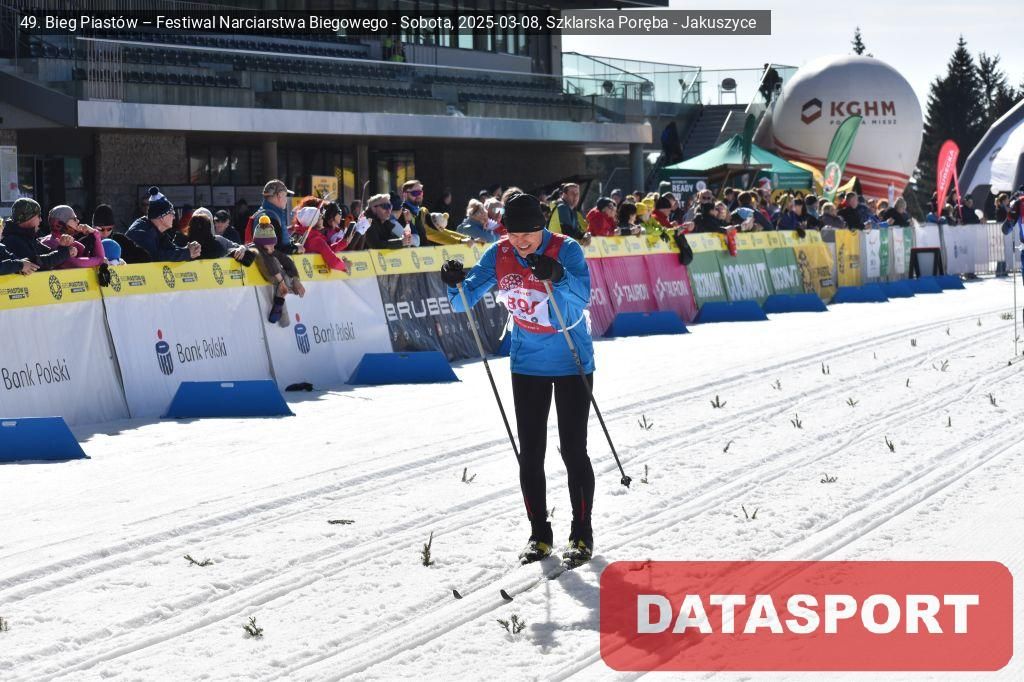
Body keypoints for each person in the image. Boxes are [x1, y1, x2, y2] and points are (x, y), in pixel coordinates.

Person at [440, 193, 596, 569]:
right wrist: (452, 281)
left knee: (573, 449)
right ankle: (539, 534)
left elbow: (583, 298)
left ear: (542, 228)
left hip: (571, 357)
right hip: (527, 362)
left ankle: (581, 533)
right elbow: (462, 301)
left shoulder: (566, 248)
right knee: (531, 452)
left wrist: (556, 275)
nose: (521, 241)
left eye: (529, 233)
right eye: (514, 233)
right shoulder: (499, 253)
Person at [252, 214, 305, 324]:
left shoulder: (271, 250)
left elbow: (287, 261)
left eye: (273, 244)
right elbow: (270, 263)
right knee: (281, 276)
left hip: (279, 280)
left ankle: (280, 305)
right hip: (275, 278)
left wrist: (295, 279)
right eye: (270, 244)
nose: (273, 247)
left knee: (284, 274)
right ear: (261, 244)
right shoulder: (256, 250)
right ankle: (280, 309)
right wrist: (281, 282)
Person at [127, 187, 201, 262]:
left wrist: (189, 250)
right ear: (162, 216)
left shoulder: (156, 230)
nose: (174, 217)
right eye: (172, 213)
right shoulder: (143, 233)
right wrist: (187, 253)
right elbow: (157, 258)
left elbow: (170, 249)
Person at [2, 197, 73, 270]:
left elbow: (49, 255)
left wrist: (62, 247)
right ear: (28, 217)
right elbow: (36, 263)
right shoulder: (12, 241)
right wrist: (65, 252)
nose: (41, 220)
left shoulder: (29, 237)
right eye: (39, 216)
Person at [244, 180, 301, 254]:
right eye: (285, 196)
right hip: (271, 261)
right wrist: (295, 249)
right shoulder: (269, 218)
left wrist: (292, 245)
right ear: (279, 196)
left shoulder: (262, 214)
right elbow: (273, 250)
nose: (286, 200)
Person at [40, 205, 106, 268]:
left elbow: (94, 257)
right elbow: (76, 263)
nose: (78, 221)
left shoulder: (73, 243)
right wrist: (100, 260)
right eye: (74, 219)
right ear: (62, 222)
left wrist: (94, 233)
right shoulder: (50, 242)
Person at [188, 213, 254, 262]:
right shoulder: (185, 248)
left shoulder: (219, 240)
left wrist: (242, 248)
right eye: (217, 221)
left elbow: (238, 248)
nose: (220, 223)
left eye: (223, 221)